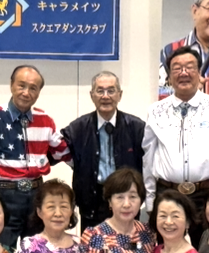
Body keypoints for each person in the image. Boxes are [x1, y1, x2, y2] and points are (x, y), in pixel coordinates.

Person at [143, 45, 209, 245]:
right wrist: (150, 200)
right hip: (167, 194)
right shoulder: (156, 111)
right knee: (167, 251)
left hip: (206, 196)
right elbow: (148, 158)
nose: (184, 73)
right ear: (169, 76)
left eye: (189, 67)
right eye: (177, 68)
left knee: (205, 251)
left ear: (199, 73)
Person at [0, 65, 72, 246]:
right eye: (21, 86)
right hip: (5, 194)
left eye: (33, 88)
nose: (26, 92)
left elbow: (61, 151)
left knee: (37, 250)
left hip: (37, 194)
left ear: (39, 92)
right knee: (2, 250)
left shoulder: (44, 119)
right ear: (11, 85)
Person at [61, 71, 146, 230]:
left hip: (126, 199)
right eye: (100, 91)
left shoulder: (137, 127)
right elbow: (55, 152)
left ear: (120, 94)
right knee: (92, 244)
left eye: (111, 91)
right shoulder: (78, 128)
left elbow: (149, 164)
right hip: (92, 201)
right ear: (92, 95)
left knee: (127, 243)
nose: (105, 96)